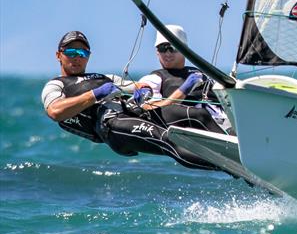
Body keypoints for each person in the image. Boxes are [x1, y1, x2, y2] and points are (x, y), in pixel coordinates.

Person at [41, 30, 218, 170]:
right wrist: (94, 95)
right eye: (71, 52)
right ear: (59, 55)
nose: (77, 57)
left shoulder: (105, 77)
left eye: (82, 52)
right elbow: (55, 112)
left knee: (198, 115)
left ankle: (238, 151)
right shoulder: (56, 85)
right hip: (112, 125)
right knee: (168, 140)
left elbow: (137, 85)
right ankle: (228, 167)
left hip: (136, 113)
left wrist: (144, 91)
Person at [138, 25, 233, 133]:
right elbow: (148, 108)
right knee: (200, 114)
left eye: (172, 48)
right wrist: (183, 90)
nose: (167, 53)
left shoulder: (199, 72)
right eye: (162, 49)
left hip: (223, 120)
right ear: (157, 52)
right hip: (195, 120)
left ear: (184, 50)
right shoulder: (154, 78)